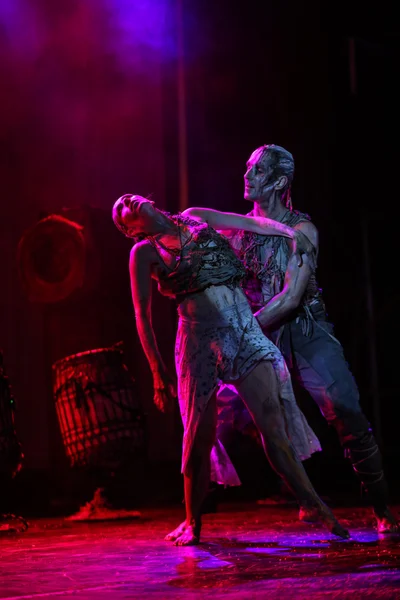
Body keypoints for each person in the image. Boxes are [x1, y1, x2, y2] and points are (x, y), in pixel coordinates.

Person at [112, 193, 349, 545]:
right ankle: (193, 521)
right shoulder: (144, 253)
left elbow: (249, 223)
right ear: (130, 231)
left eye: (129, 197)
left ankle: (312, 503)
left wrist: (287, 231)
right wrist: (157, 374)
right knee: (199, 437)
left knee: (272, 422)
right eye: (122, 209)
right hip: (199, 343)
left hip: (242, 331)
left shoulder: (194, 216)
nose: (129, 201)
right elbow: (141, 317)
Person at [213, 143, 398, 533]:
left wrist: (246, 329)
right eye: (247, 167)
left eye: (258, 170)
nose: (247, 175)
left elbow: (291, 298)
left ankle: (383, 508)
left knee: (345, 408)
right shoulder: (235, 230)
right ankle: (300, 496)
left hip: (303, 330)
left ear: (280, 180)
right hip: (259, 338)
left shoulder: (302, 229)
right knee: (226, 413)